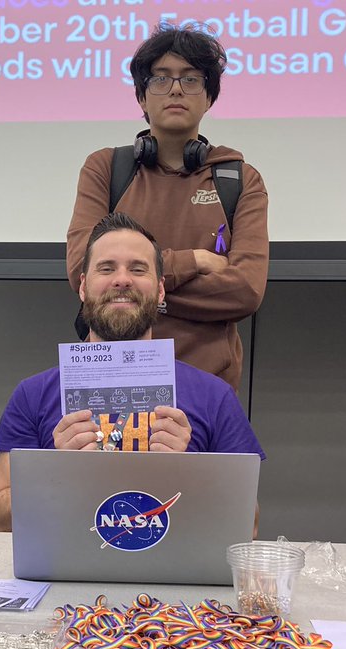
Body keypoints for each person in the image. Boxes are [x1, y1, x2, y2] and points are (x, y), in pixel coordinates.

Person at [0, 213, 263, 649]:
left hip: (175, 607)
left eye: (138, 269)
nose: (121, 279)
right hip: (58, 603)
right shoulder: (36, 393)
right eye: (106, 267)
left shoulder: (211, 395)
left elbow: (245, 532)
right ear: (83, 286)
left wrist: (191, 473)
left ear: (160, 290)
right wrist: (56, 473)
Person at [66, 22, 269, 392]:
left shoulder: (239, 180)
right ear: (142, 98)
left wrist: (132, 290)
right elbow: (83, 270)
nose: (176, 88)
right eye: (161, 78)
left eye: (191, 79)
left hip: (208, 388)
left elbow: (245, 291)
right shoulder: (107, 169)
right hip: (111, 379)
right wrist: (197, 261)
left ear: (209, 97)